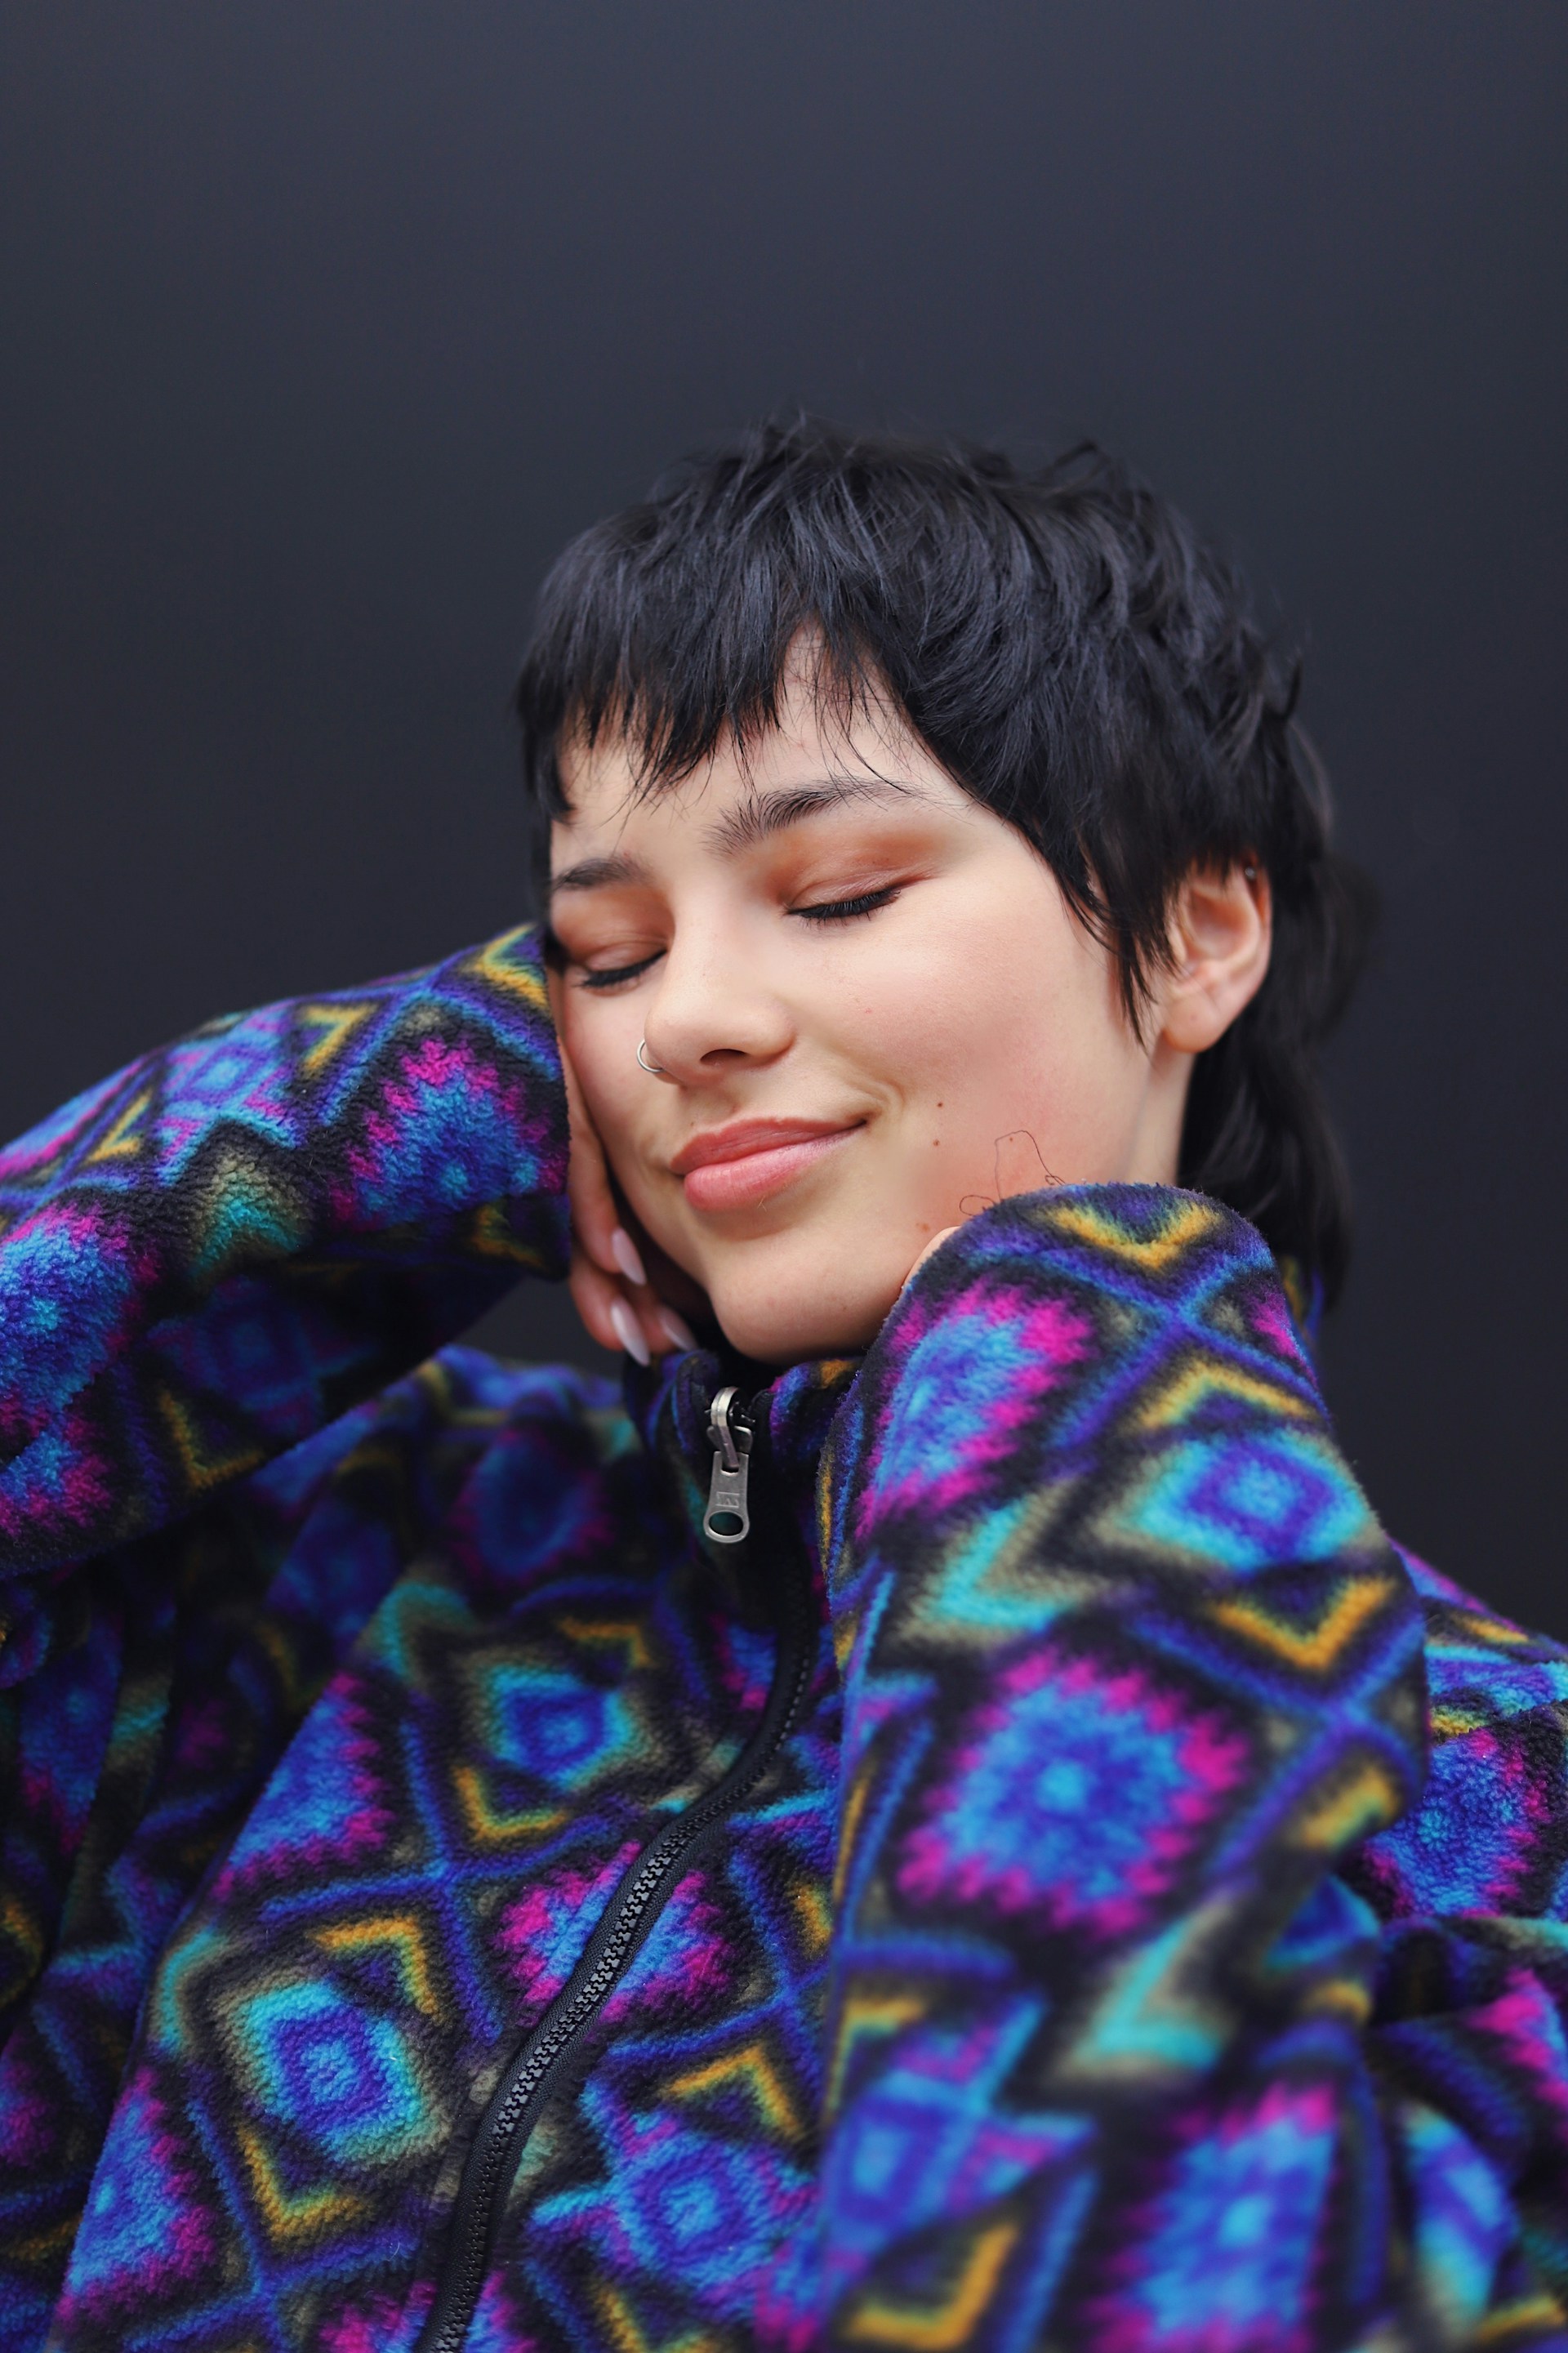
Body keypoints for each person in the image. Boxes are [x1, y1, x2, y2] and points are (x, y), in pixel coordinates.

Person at [1, 421, 1563, 2353]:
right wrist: (404, 1104)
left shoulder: (1503, 1787)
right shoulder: (363, 1548)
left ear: (1199, 930)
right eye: (603, 951)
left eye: (833, 897)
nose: (693, 1022)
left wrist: (1076, 1320)